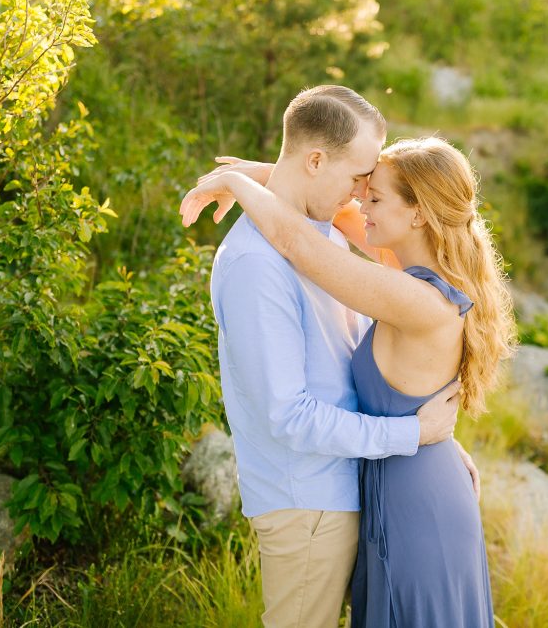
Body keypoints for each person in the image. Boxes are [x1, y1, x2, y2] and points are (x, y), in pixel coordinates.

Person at [182, 104, 516, 626]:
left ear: (418, 213)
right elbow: (320, 212)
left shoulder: (413, 295)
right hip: (397, 478)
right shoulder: (409, 266)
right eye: (360, 183)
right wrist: (268, 175)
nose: (360, 199)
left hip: (414, 493)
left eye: (373, 192)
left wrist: (239, 181)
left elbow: (298, 240)